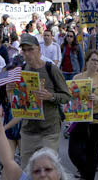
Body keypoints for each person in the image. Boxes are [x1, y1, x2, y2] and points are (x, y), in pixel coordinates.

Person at [16, 33, 70, 168]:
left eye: (30, 49)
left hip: (49, 130)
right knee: (27, 170)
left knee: (48, 168)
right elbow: (18, 99)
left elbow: (66, 96)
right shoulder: (22, 69)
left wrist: (50, 96)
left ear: (39, 50)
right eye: (24, 50)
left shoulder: (51, 69)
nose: (27, 54)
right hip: (28, 130)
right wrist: (12, 90)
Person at [67, 50, 98, 180]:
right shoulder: (77, 78)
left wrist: (97, 98)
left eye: (97, 61)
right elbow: (71, 98)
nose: (94, 63)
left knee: (92, 155)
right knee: (73, 151)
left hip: (96, 120)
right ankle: (85, 174)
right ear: (86, 62)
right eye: (92, 60)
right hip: (80, 118)